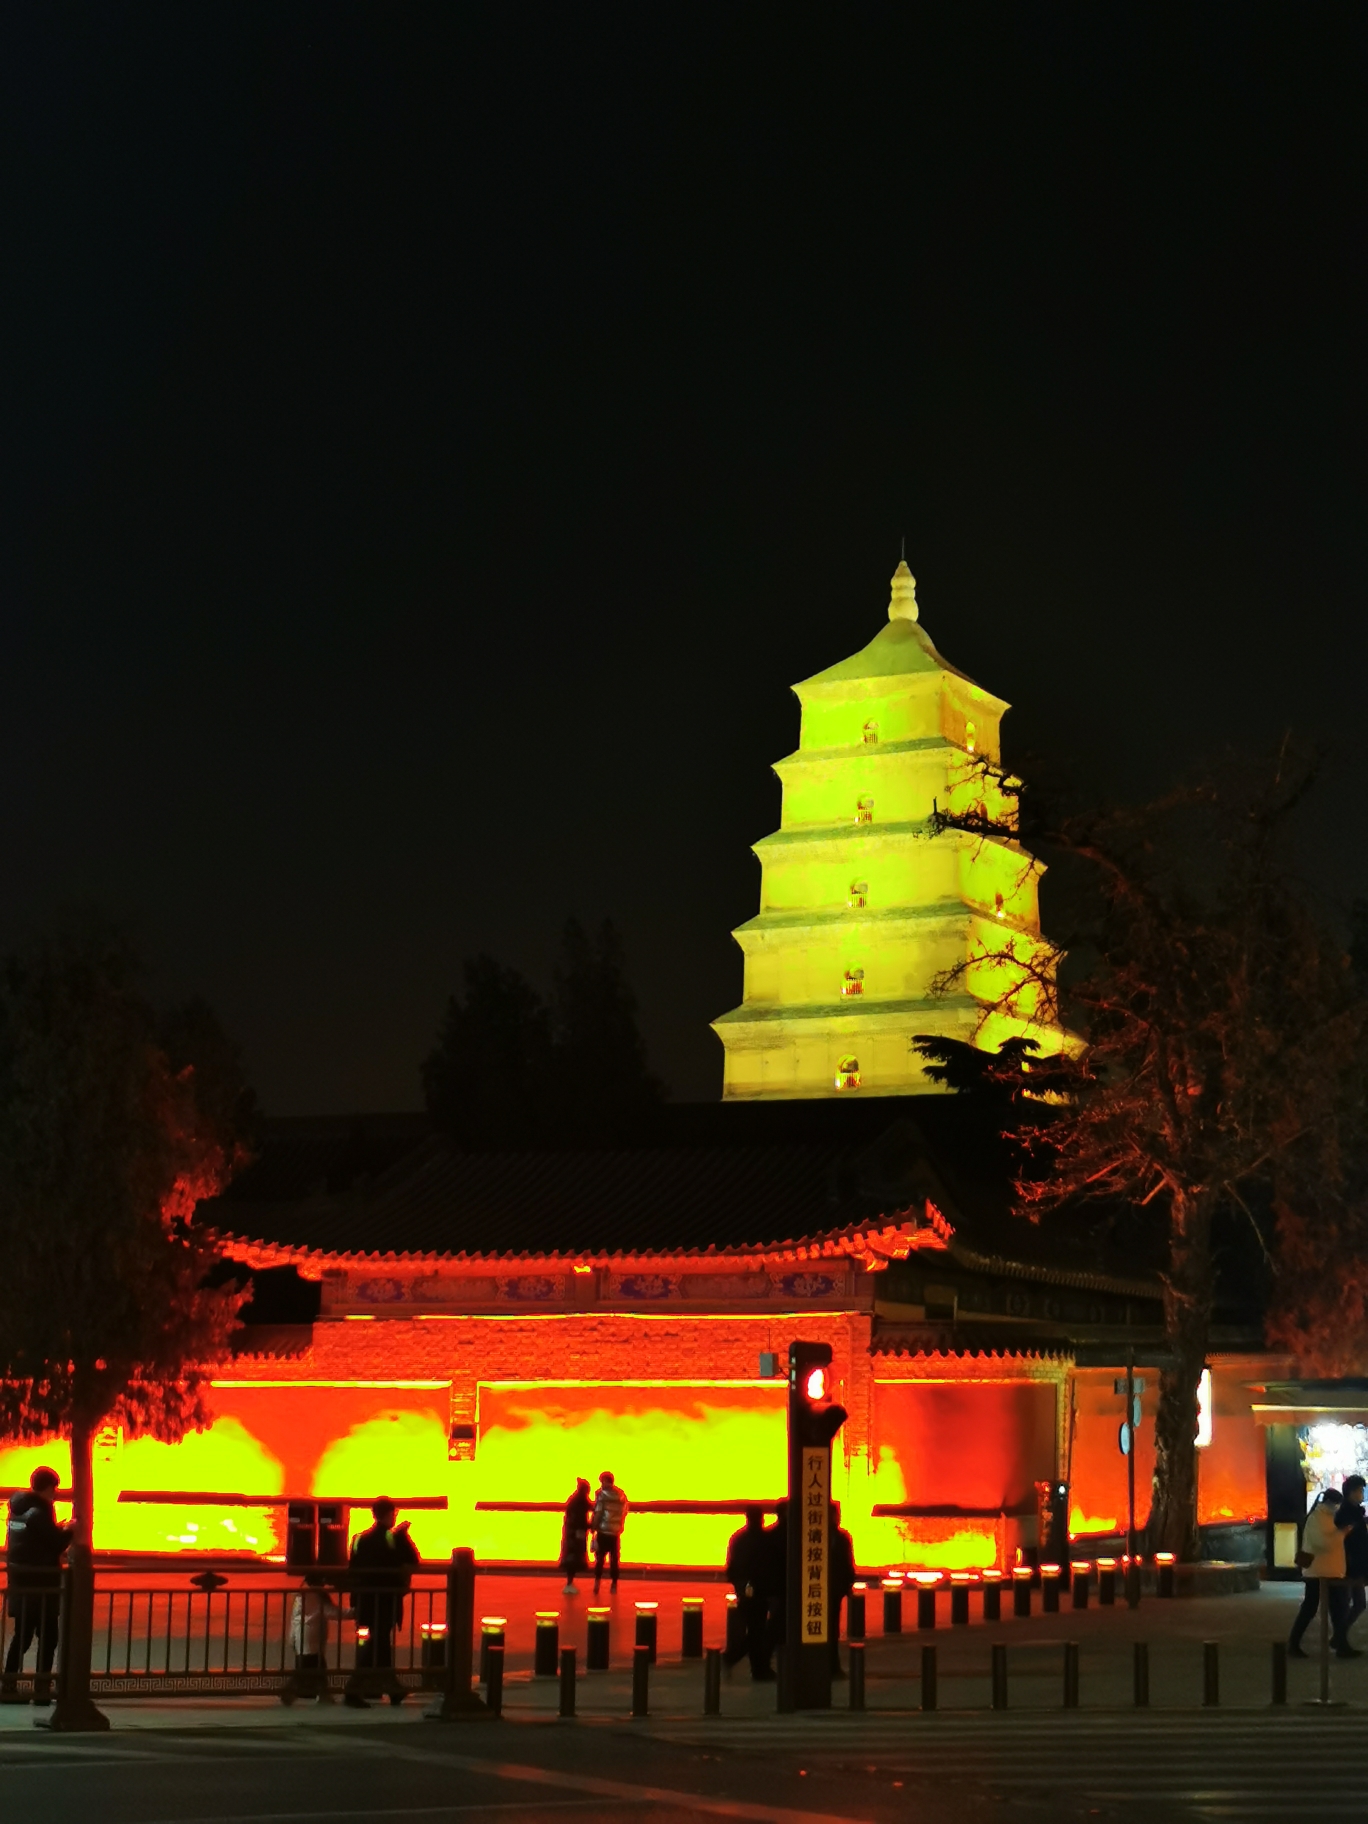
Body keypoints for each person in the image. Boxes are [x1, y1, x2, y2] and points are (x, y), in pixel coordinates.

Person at [2, 1466, 75, 1707]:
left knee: (22, 1636)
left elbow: (32, 1540)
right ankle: (42, 1689)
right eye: (54, 1489)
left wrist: (55, 1530)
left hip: (21, 1582)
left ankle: (9, 1685)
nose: (55, 1494)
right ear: (48, 1488)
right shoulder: (40, 1511)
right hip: (43, 1585)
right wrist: (69, 1530)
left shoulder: (18, 1509)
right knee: (48, 1637)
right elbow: (54, 1544)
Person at [343, 1498, 420, 1707]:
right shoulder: (391, 1538)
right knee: (378, 1645)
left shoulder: (358, 1538)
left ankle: (392, 1689)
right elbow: (413, 1560)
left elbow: (353, 1570)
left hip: (365, 1601)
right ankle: (354, 1690)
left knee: (378, 1645)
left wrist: (355, 1601)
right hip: (385, 1601)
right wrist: (403, 1535)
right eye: (393, 1514)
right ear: (389, 1514)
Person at [1289, 1487, 1351, 1659]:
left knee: (1337, 1608)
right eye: (1336, 1503)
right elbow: (1321, 1543)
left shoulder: (1329, 1517)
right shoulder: (1316, 1518)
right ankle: (1294, 1643)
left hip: (1330, 1569)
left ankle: (1341, 1644)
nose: (1337, 1507)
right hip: (1317, 1571)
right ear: (1329, 1502)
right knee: (1312, 1608)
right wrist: (1342, 1533)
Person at [723, 1506, 771, 1679]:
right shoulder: (763, 1539)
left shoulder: (739, 1539)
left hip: (745, 1589)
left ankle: (755, 1666)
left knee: (754, 1629)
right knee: (757, 1630)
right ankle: (741, 1660)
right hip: (758, 1589)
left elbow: (732, 1566)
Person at [284, 1571, 341, 1704]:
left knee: (312, 1669)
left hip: (302, 1639)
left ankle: (322, 1695)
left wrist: (292, 1639)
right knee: (309, 1670)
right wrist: (354, 1612)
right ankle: (290, 1693)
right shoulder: (315, 1596)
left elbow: (294, 1619)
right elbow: (331, 1612)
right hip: (311, 1640)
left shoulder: (300, 1596)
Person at [1335, 1474, 1368, 1647]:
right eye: (1360, 1490)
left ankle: (1339, 1638)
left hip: (1355, 1563)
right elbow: (1349, 1540)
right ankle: (1339, 1639)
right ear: (1352, 1492)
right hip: (1350, 1564)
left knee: (1357, 1603)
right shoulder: (1347, 1513)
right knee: (1352, 1603)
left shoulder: (1354, 1512)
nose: (1362, 1494)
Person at [828, 1500, 857, 1679]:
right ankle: (831, 1665)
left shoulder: (839, 1538)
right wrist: (847, 1585)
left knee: (831, 1629)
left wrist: (848, 1585)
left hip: (832, 1590)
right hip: (832, 1589)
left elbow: (847, 1564)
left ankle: (830, 1664)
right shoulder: (839, 1538)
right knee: (831, 1629)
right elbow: (847, 1564)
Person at [760, 1500, 788, 1675]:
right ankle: (770, 1660)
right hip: (781, 1588)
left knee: (776, 1626)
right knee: (777, 1626)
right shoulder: (788, 1535)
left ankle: (769, 1660)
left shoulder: (770, 1535)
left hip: (774, 1588)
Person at [591, 1471, 628, 1594]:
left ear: (606, 1481)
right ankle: (614, 1584)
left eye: (602, 1482)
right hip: (615, 1532)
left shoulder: (602, 1495)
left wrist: (593, 1526)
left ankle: (597, 1583)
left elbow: (598, 1512)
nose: (601, 1484)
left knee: (600, 1559)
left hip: (603, 1531)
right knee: (614, 1559)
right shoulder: (621, 1495)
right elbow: (625, 1511)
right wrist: (620, 1525)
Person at [559, 1478, 592, 1596]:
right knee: (573, 1557)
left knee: (571, 1557)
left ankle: (570, 1583)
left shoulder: (575, 1499)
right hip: (575, 1534)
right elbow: (580, 1518)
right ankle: (569, 1583)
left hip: (571, 1533)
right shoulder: (580, 1501)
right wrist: (589, 1525)